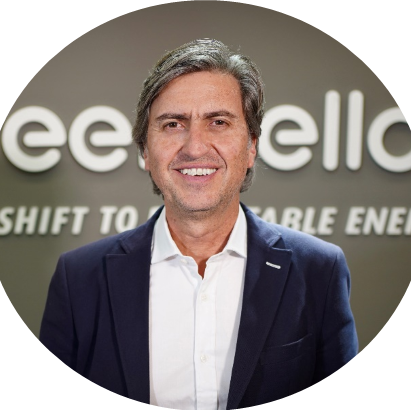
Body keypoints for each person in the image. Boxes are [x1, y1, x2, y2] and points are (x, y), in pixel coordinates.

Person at [40, 39, 358, 409]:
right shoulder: (79, 279)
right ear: (145, 150)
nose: (194, 147)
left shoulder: (319, 270)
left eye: (218, 122)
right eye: (172, 124)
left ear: (251, 146)